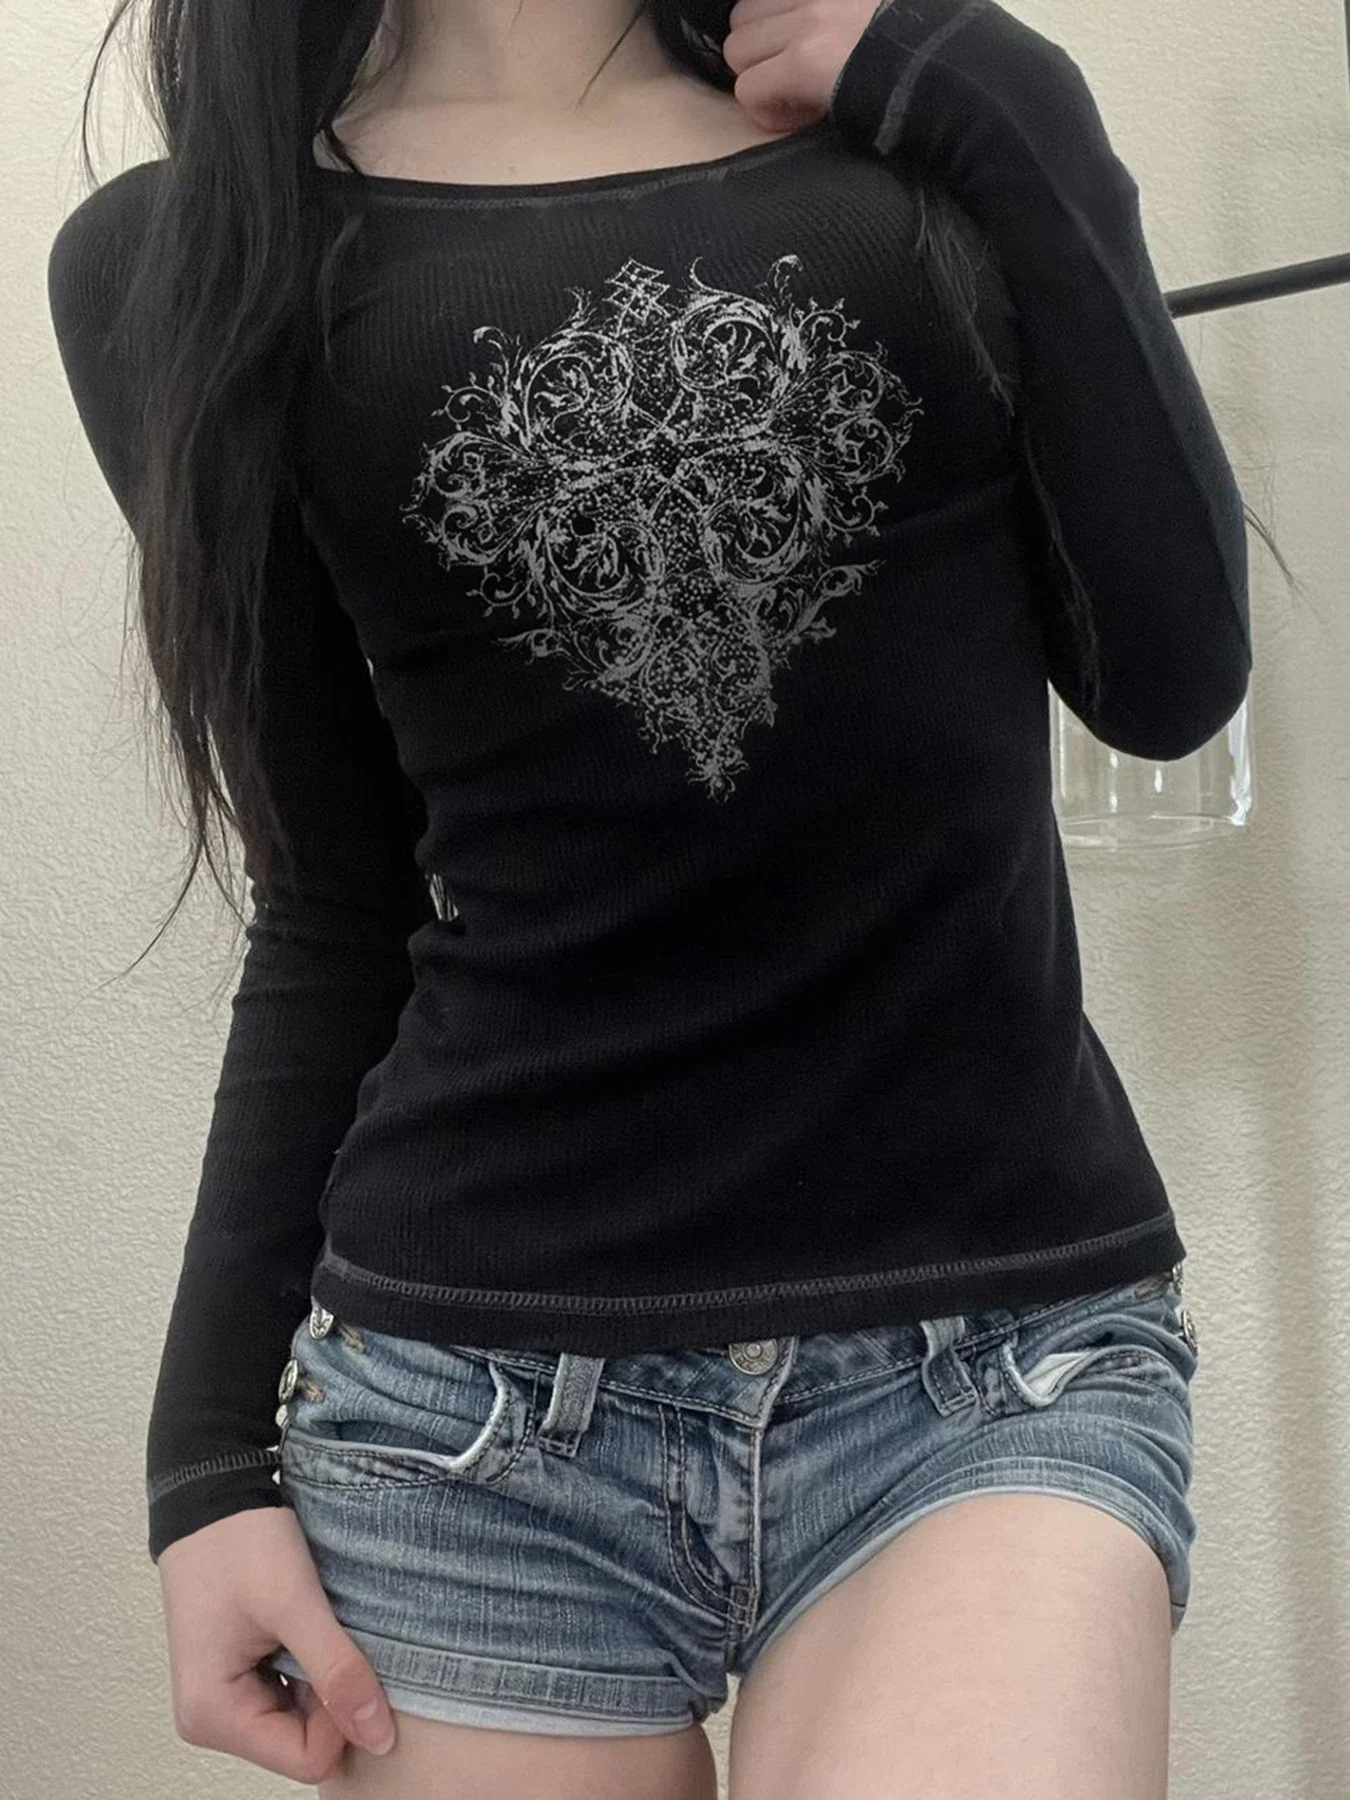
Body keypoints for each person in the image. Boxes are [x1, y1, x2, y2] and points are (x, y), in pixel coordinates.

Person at [47, 0, 1246, 1792]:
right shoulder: (188, 260)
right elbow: (334, 901)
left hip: (987, 1368)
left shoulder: (923, 130)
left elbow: (1165, 681)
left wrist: (1003, 95)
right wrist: (206, 1460)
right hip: (468, 1425)